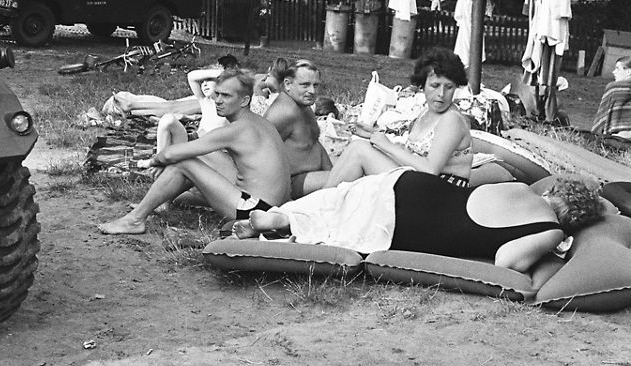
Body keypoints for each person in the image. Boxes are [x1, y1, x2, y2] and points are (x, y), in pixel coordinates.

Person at [233, 172, 604, 273]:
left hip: (407, 183)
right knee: (339, 233)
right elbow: (509, 263)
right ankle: (282, 227)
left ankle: (281, 215)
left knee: (338, 202)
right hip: (408, 222)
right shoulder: (548, 229)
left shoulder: (523, 189)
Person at [98, 70, 292, 235]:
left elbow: (170, 155)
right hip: (276, 207)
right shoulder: (259, 122)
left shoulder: (236, 130)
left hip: (256, 212)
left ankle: (135, 220)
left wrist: (154, 161)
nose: (218, 100)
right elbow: (194, 149)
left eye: (226, 96)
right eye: (217, 94)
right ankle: (163, 201)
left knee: (183, 162)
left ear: (244, 101)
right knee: (195, 154)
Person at [324, 47, 473, 188]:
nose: (441, 94)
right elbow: (412, 155)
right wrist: (375, 135)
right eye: (435, 85)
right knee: (358, 147)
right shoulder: (425, 113)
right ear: (422, 85)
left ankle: (318, 205)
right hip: (421, 183)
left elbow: (430, 170)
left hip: (442, 193)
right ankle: (321, 201)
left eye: (449, 87)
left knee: (360, 151)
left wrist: (387, 146)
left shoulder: (451, 119)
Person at [263, 59, 333, 198]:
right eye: (305, 85)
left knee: (353, 164)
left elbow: (314, 143)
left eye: (316, 85)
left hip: (312, 173)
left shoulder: (303, 106)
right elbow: (258, 152)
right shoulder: (284, 112)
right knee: (352, 179)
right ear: (288, 84)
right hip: (294, 182)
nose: (312, 91)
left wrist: (330, 170)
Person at [592, 57, 631, 137]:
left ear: (628, 72)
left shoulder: (614, 88)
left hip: (616, 138)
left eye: (617, 69)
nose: (614, 72)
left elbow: (602, 119)